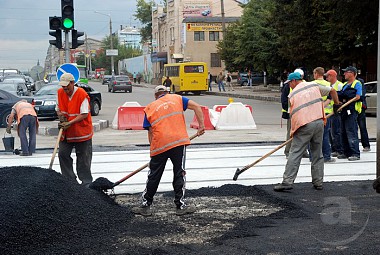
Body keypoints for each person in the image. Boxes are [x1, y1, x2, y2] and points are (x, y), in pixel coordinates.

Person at [132, 85, 205, 217]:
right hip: (178, 142)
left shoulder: (150, 107)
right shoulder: (177, 98)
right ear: (167, 92)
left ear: (156, 96)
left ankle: (145, 205)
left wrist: (153, 152)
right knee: (179, 173)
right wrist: (201, 127)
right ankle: (180, 206)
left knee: (154, 175)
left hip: (160, 144)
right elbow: (197, 107)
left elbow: (150, 133)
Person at [274, 72, 340, 192]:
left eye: (289, 83)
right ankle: (318, 182)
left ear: (294, 81)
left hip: (305, 124)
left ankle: (287, 181)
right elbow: (333, 91)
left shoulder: (293, 95)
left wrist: (293, 132)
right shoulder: (313, 86)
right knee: (317, 153)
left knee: (295, 153)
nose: (289, 86)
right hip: (319, 122)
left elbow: (294, 115)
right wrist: (336, 104)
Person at [56, 73, 93, 186]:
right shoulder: (60, 93)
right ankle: (69, 180)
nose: (65, 88)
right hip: (66, 133)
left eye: (67, 86)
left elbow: (84, 114)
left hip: (81, 131)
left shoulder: (81, 94)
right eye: (63, 86)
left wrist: (70, 123)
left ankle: (86, 181)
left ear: (72, 83)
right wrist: (61, 116)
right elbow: (58, 108)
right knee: (62, 154)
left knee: (83, 157)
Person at [281, 68, 309, 159]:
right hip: (292, 112)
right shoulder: (288, 86)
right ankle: (288, 151)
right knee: (291, 132)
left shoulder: (305, 84)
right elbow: (284, 100)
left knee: (303, 132)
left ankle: (303, 151)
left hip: (303, 113)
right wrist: (289, 110)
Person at [337, 66, 362, 161]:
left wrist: (347, 98)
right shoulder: (344, 85)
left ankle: (355, 153)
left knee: (351, 131)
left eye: (346, 72)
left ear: (352, 73)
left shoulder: (357, 83)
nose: (344, 74)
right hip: (344, 110)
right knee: (343, 131)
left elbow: (358, 97)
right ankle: (346, 152)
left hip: (352, 111)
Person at [312, 67, 335, 163]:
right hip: (326, 113)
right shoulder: (328, 84)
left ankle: (313, 156)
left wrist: (317, 107)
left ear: (316, 74)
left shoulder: (311, 84)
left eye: (314, 73)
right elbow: (330, 98)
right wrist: (323, 105)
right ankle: (326, 156)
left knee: (313, 135)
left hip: (314, 113)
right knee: (325, 135)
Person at [325, 69, 344, 158]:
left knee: (336, 131)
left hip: (335, 112)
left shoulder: (339, 85)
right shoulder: (328, 85)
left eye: (328, 76)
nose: (326, 77)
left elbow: (341, 98)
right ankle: (333, 148)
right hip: (328, 112)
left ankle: (339, 149)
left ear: (332, 76)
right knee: (330, 132)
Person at [356, 77, 371, 152]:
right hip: (355, 108)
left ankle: (366, 145)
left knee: (362, 127)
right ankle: (365, 145)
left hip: (360, 108)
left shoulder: (359, 82)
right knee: (358, 127)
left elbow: (361, 96)